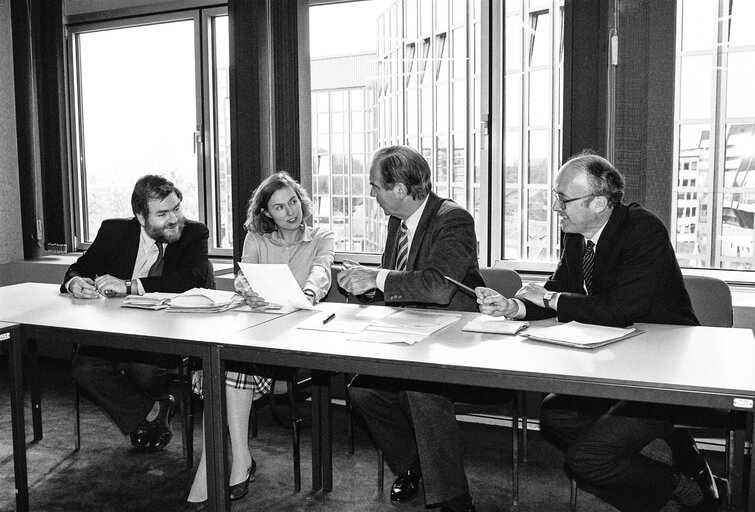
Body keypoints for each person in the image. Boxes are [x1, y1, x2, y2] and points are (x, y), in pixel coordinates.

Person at [476, 152, 725, 512]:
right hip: (614, 359)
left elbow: (619, 309)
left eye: (563, 199)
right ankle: (676, 460)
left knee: (586, 459)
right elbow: (557, 291)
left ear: (598, 203)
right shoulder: (577, 234)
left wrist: (549, 297)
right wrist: (513, 307)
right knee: (555, 415)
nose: (556, 207)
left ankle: (689, 490)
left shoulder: (643, 229)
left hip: (662, 368)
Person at [337, 145, 484, 512]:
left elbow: (437, 287)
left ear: (399, 190)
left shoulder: (453, 219)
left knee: (419, 390)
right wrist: (370, 285)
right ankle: (413, 465)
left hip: (455, 338)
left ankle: (454, 499)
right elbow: (398, 284)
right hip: (409, 334)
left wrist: (379, 277)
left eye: (375, 187)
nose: (372, 195)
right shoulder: (397, 223)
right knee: (362, 392)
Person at [184, 171, 335, 511]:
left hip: (295, 340)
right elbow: (245, 273)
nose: (290, 212)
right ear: (268, 213)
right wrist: (246, 289)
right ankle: (240, 459)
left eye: (293, 202)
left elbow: (322, 271)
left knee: (225, 368)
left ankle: (235, 464)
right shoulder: (256, 236)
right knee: (229, 363)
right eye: (280, 207)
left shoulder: (321, 236)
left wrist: (309, 292)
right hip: (257, 327)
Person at [64, 174, 209, 453]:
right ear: (141, 217)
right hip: (115, 331)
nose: (174, 219)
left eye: (177, 208)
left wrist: (130, 286)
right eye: (163, 213)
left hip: (164, 334)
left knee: (142, 371)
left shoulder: (194, 233)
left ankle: (148, 412)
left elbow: (192, 278)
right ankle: (155, 409)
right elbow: (80, 267)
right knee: (83, 368)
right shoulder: (114, 232)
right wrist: (76, 282)